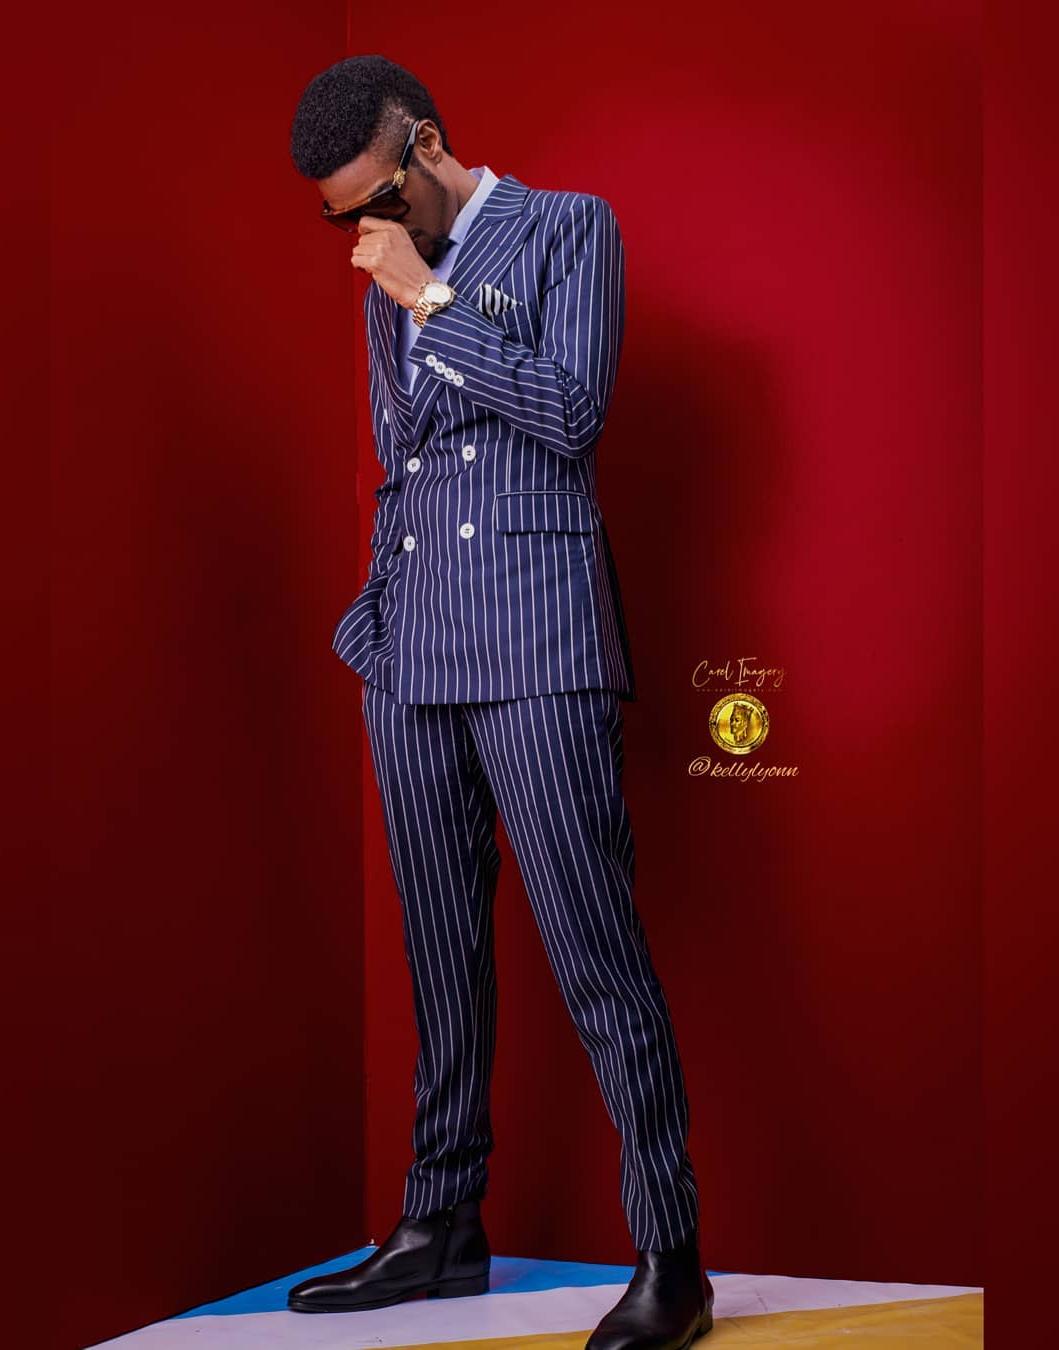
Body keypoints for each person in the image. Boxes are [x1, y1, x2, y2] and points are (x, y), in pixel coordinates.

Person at [284, 55, 714, 1348]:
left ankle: (673, 1256)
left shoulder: (570, 229)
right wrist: (378, 618)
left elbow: (571, 413)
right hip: (413, 652)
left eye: (374, 198)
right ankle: (441, 1224)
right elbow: (402, 457)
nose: (363, 230)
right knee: (441, 959)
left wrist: (428, 299)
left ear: (424, 142)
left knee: (596, 955)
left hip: (538, 642)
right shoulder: (388, 269)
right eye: (341, 216)